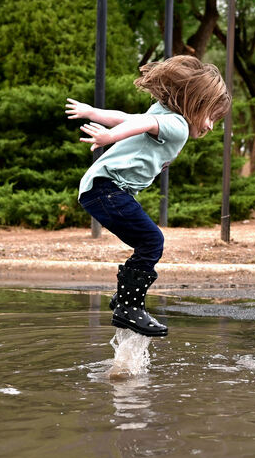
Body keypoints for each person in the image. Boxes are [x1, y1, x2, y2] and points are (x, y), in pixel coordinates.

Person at [65, 55, 231, 338]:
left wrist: (93, 111)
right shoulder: (177, 125)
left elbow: (129, 118)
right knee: (152, 241)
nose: (211, 126)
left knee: (147, 242)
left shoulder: (164, 115)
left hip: (99, 189)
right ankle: (129, 306)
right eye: (210, 117)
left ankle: (124, 300)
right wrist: (109, 138)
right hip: (106, 189)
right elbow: (139, 124)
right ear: (196, 105)